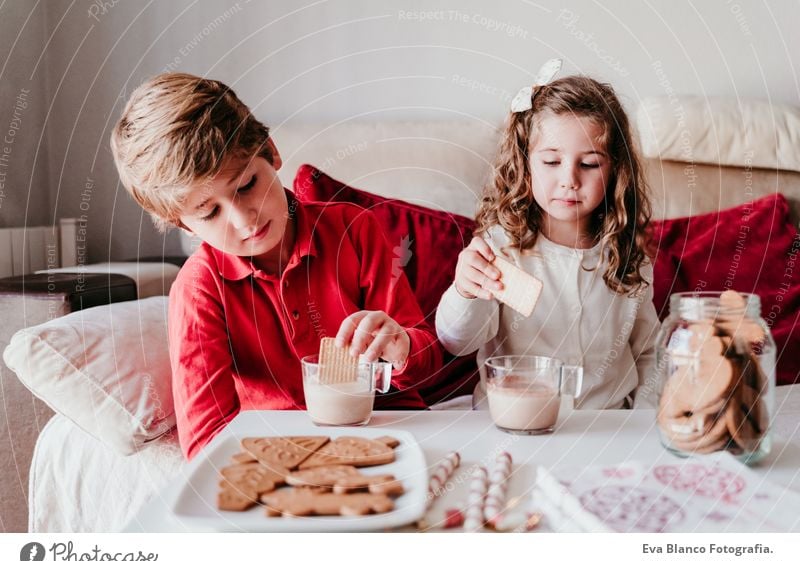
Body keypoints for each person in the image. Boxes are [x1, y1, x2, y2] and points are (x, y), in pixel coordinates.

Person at [111, 73, 441, 459]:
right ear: (184, 224)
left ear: (271, 151)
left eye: (247, 184)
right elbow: (206, 442)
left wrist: (401, 346)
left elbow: (426, 360)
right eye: (210, 211)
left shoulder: (353, 229)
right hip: (286, 460)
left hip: (395, 434)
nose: (244, 220)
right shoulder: (199, 289)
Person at [436, 61, 660, 409]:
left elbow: (649, 353)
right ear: (525, 165)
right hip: (515, 420)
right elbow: (458, 342)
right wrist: (465, 291)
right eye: (551, 162)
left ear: (615, 170)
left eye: (589, 164)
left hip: (608, 428)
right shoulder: (502, 249)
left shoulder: (627, 256)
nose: (569, 179)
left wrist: (644, 421)